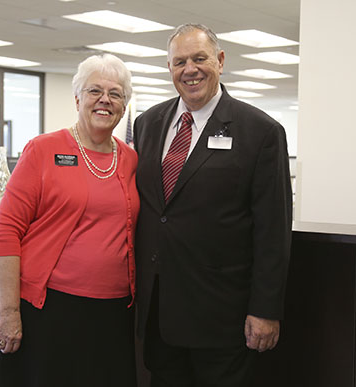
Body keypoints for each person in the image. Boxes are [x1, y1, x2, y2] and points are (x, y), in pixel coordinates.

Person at [133, 23, 293, 386]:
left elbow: (273, 230)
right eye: (179, 62)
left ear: (220, 61)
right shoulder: (148, 123)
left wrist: (265, 310)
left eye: (199, 58)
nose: (189, 70)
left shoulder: (261, 132)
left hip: (222, 317)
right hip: (160, 312)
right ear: (170, 69)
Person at [0, 53, 139, 387]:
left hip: (113, 313)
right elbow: (6, 229)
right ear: (77, 99)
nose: (105, 100)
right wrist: (9, 310)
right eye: (94, 91)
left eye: (115, 94)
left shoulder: (130, 158)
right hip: (50, 309)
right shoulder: (43, 150)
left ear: (124, 104)